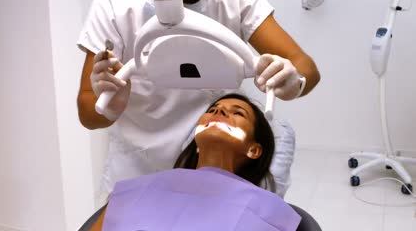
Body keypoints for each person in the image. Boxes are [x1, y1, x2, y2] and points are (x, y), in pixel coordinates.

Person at [77, 0, 321, 198]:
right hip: (138, 169)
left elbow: (306, 67)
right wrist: (110, 108)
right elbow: (87, 113)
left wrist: (294, 82)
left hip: (217, 174)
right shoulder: (115, 0)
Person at [82, 94, 301, 231]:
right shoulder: (137, 190)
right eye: (213, 110)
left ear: (253, 150)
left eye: (238, 113)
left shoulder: (269, 211)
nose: (219, 111)